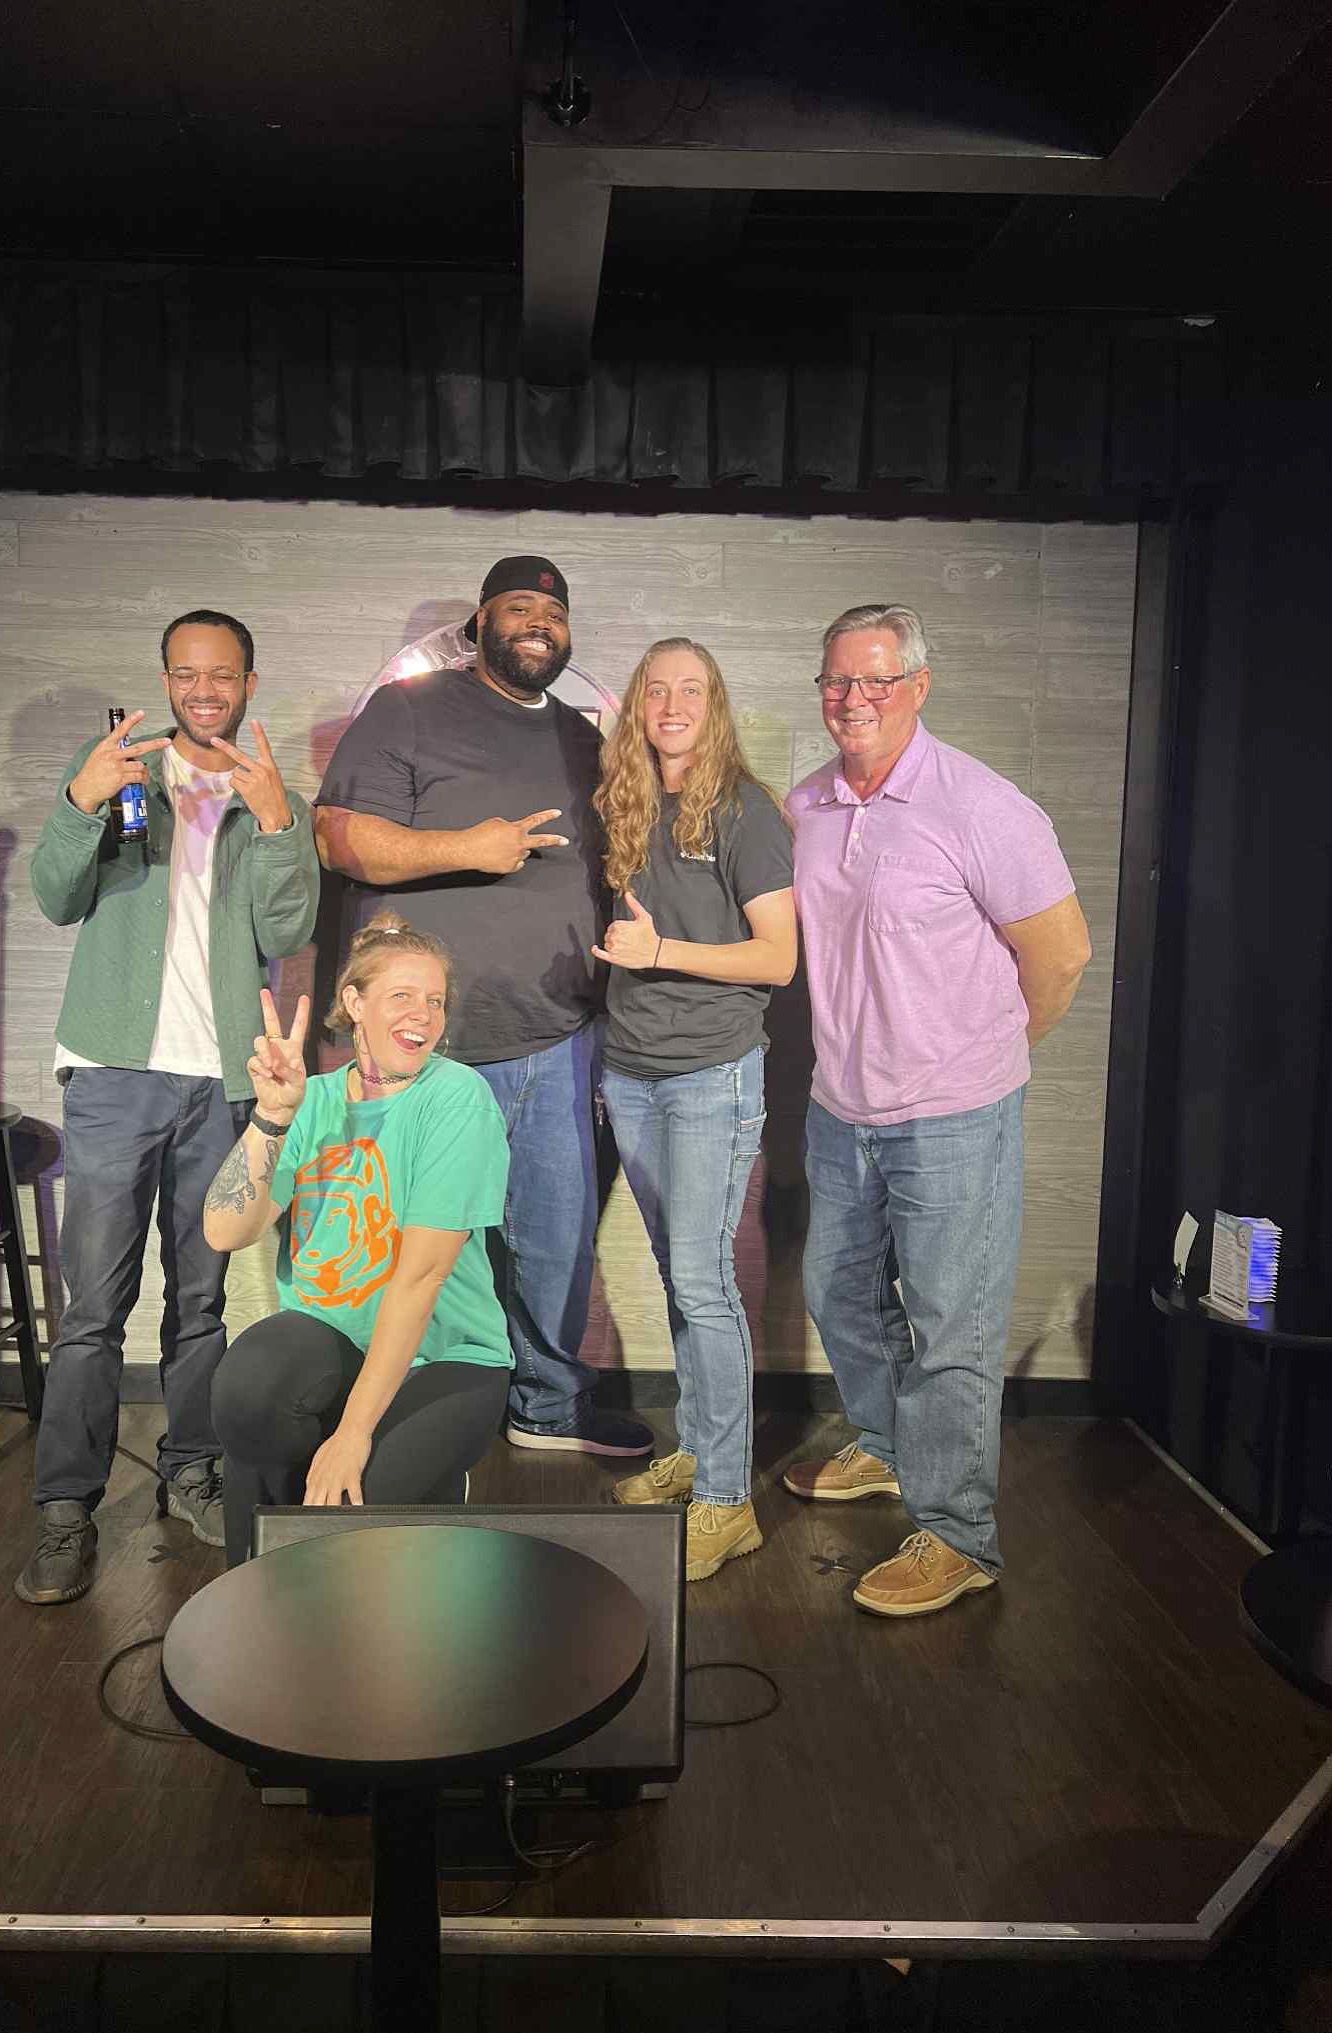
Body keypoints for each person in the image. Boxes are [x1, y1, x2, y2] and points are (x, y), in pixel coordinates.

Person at [782, 603, 1091, 1617]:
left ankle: (960, 1536)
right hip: (842, 1106)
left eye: (876, 679)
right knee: (838, 1290)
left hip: (955, 1112)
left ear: (920, 684)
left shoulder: (985, 806)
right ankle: (883, 1444)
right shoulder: (810, 805)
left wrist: (985, 1058)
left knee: (952, 1323)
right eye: (838, 679)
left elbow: (1061, 955)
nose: (853, 698)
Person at [314, 556, 652, 1459]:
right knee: (399, 1239)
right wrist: (466, 848)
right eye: (518, 606)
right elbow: (341, 838)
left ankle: (545, 1407)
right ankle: (383, 1415)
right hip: (427, 1047)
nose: (537, 621)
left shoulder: (587, 740)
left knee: (554, 1238)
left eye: (552, 610)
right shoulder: (411, 709)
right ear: (480, 621)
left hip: (553, 1035)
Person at [15, 609, 319, 1605]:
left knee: (200, 1303)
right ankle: (66, 1508)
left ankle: (192, 1469)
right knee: (93, 1308)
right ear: (166, 678)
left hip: (221, 1082)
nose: (202, 689)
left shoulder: (270, 794)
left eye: (220, 674)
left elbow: (290, 922)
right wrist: (77, 797)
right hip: (113, 1073)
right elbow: (57, 896)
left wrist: (278, 823)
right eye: (185, 673)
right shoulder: (117, 770)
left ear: (248, 682)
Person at [204, 917, 513, 1565]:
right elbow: (225, 1229)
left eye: (434, 1000)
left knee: (354, 1507)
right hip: (330, 1339)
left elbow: (420, 1278)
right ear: (355, 1003)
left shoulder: (457, 1098)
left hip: (445, 1359)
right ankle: (252, 1604)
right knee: (248, 1396)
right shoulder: (310, 1099)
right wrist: (273, 1118)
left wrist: (352, 1432)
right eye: (402, 995)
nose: (423, 1015)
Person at [591, 640, 796, 1580]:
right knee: (683, 1273)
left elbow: (776, 960)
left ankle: (726, 1499)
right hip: (630, 1071)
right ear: (638, 706)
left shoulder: (748, 811)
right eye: (657, 690)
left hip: (710, 1074)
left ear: (717, 706)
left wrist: (661, 952)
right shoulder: (628, 801)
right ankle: (703, 1452)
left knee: (705, 1281)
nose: (672, 705)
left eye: (692, 690)